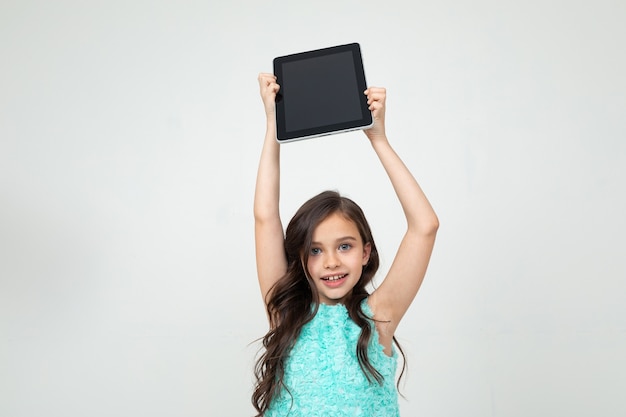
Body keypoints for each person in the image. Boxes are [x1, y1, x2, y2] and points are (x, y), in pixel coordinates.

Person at [252, 73, 439, 417]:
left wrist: (379, 139)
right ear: (301, 259)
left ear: (366, 252)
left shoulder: (379, 316)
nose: (331, 263)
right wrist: (272, 126)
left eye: (345, 246)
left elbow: (425, 226)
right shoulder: (286, 313)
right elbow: (265, 217)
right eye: (316, 250)